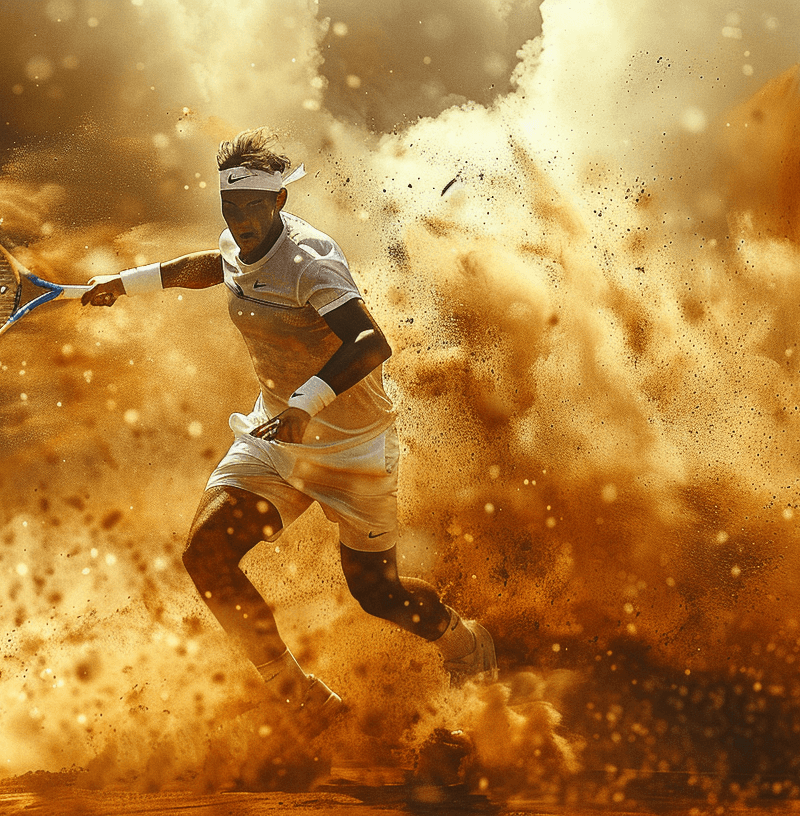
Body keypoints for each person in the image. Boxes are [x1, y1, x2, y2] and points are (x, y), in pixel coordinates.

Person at [82, 128, 495, 731]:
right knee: (207, 555)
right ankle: (303, 702)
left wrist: (305, 403)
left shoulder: (311, 261)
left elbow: (369, 342)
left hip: (356, 450)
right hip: (276, 441)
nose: (240, 219)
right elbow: (214, 266)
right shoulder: (236, 242)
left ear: (277, 201)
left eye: (252, 206)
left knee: (378, 595)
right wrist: (126, 282)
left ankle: (465, 644)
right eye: (230, 206)